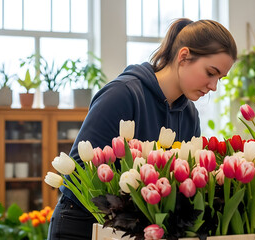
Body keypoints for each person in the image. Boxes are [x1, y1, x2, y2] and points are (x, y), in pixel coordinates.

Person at [48, 18, 237, 240]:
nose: (214, 86)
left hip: (137, 230)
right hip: (82, 225)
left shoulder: (189, 115)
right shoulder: (122, 95)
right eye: (210, 72)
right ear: (184, 56)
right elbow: (78, 170)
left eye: (220, 78)